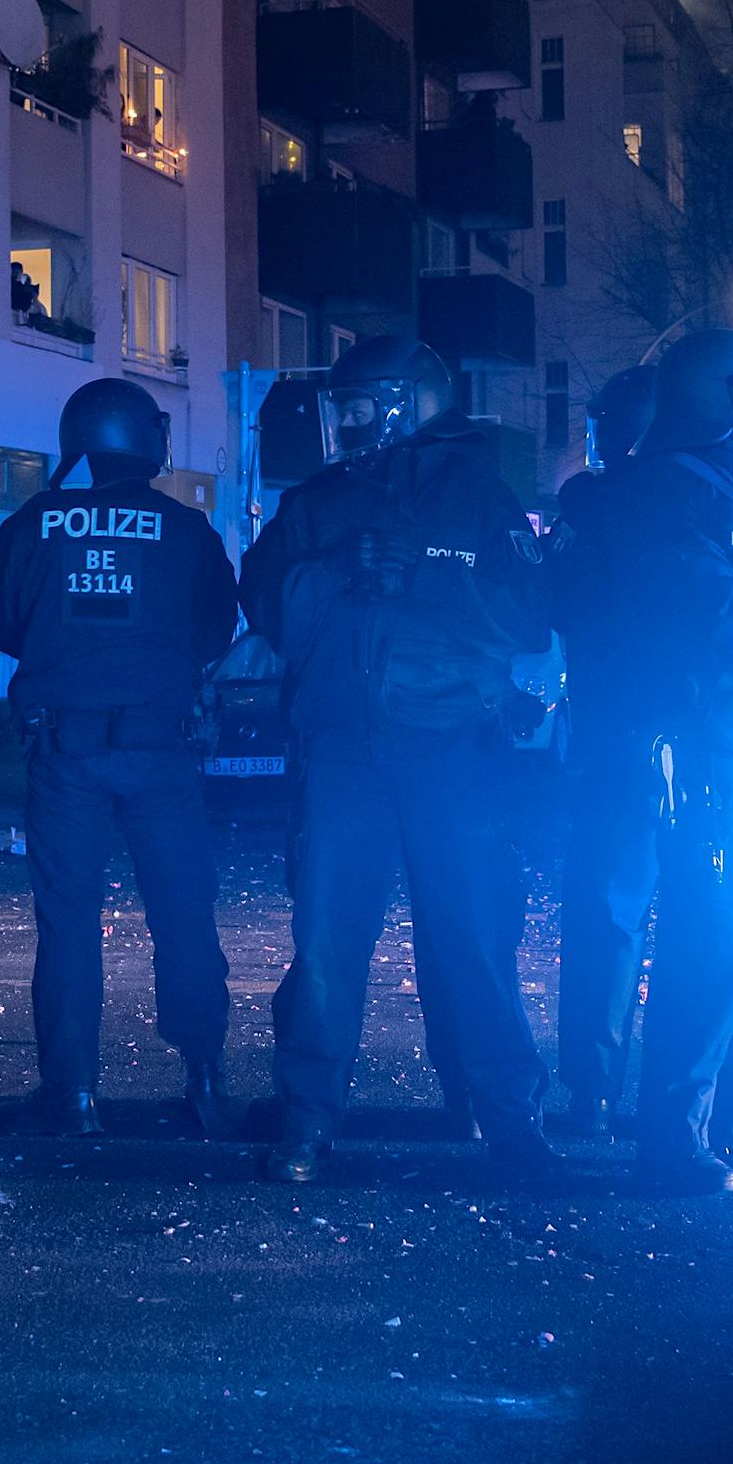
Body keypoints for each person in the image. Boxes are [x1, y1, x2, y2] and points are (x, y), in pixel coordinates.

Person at [239, 335, 559, 1185]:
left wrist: (430, 578)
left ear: (406, 400)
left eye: (357, 406)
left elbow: (528, 619)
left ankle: (504, 1118)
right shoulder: (318, 503)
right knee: (326, 947)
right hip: (342, 754)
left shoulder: (479, 495)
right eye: (337, 409)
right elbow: (267, 609)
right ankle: (307, 1122)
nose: (343, 425)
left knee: (475, 942)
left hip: (453, 752)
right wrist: (333, 568)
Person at [0, 378, 239, 1137]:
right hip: (161, 750)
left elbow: (5, 626)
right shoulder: (186, 529)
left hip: (65, 751)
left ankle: (74, 1091)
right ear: (146, 439)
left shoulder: (33, 524)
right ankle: (202, 1074)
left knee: (67, 921)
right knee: (184, 913)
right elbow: (216, 632)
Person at [613, 329, 733, 1195]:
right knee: (715, 946)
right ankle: (672, 1133)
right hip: (708, 752)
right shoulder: (667, 497)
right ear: (716, 398)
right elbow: (716, 619)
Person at [550, 365, 658, 1140]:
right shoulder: (714, 502)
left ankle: (591, 1091)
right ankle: (700, 1105)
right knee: (710, 925)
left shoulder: (592, 503)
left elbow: (554, 602)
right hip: (696, 742)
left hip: (615, 743)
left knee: (607, 922)